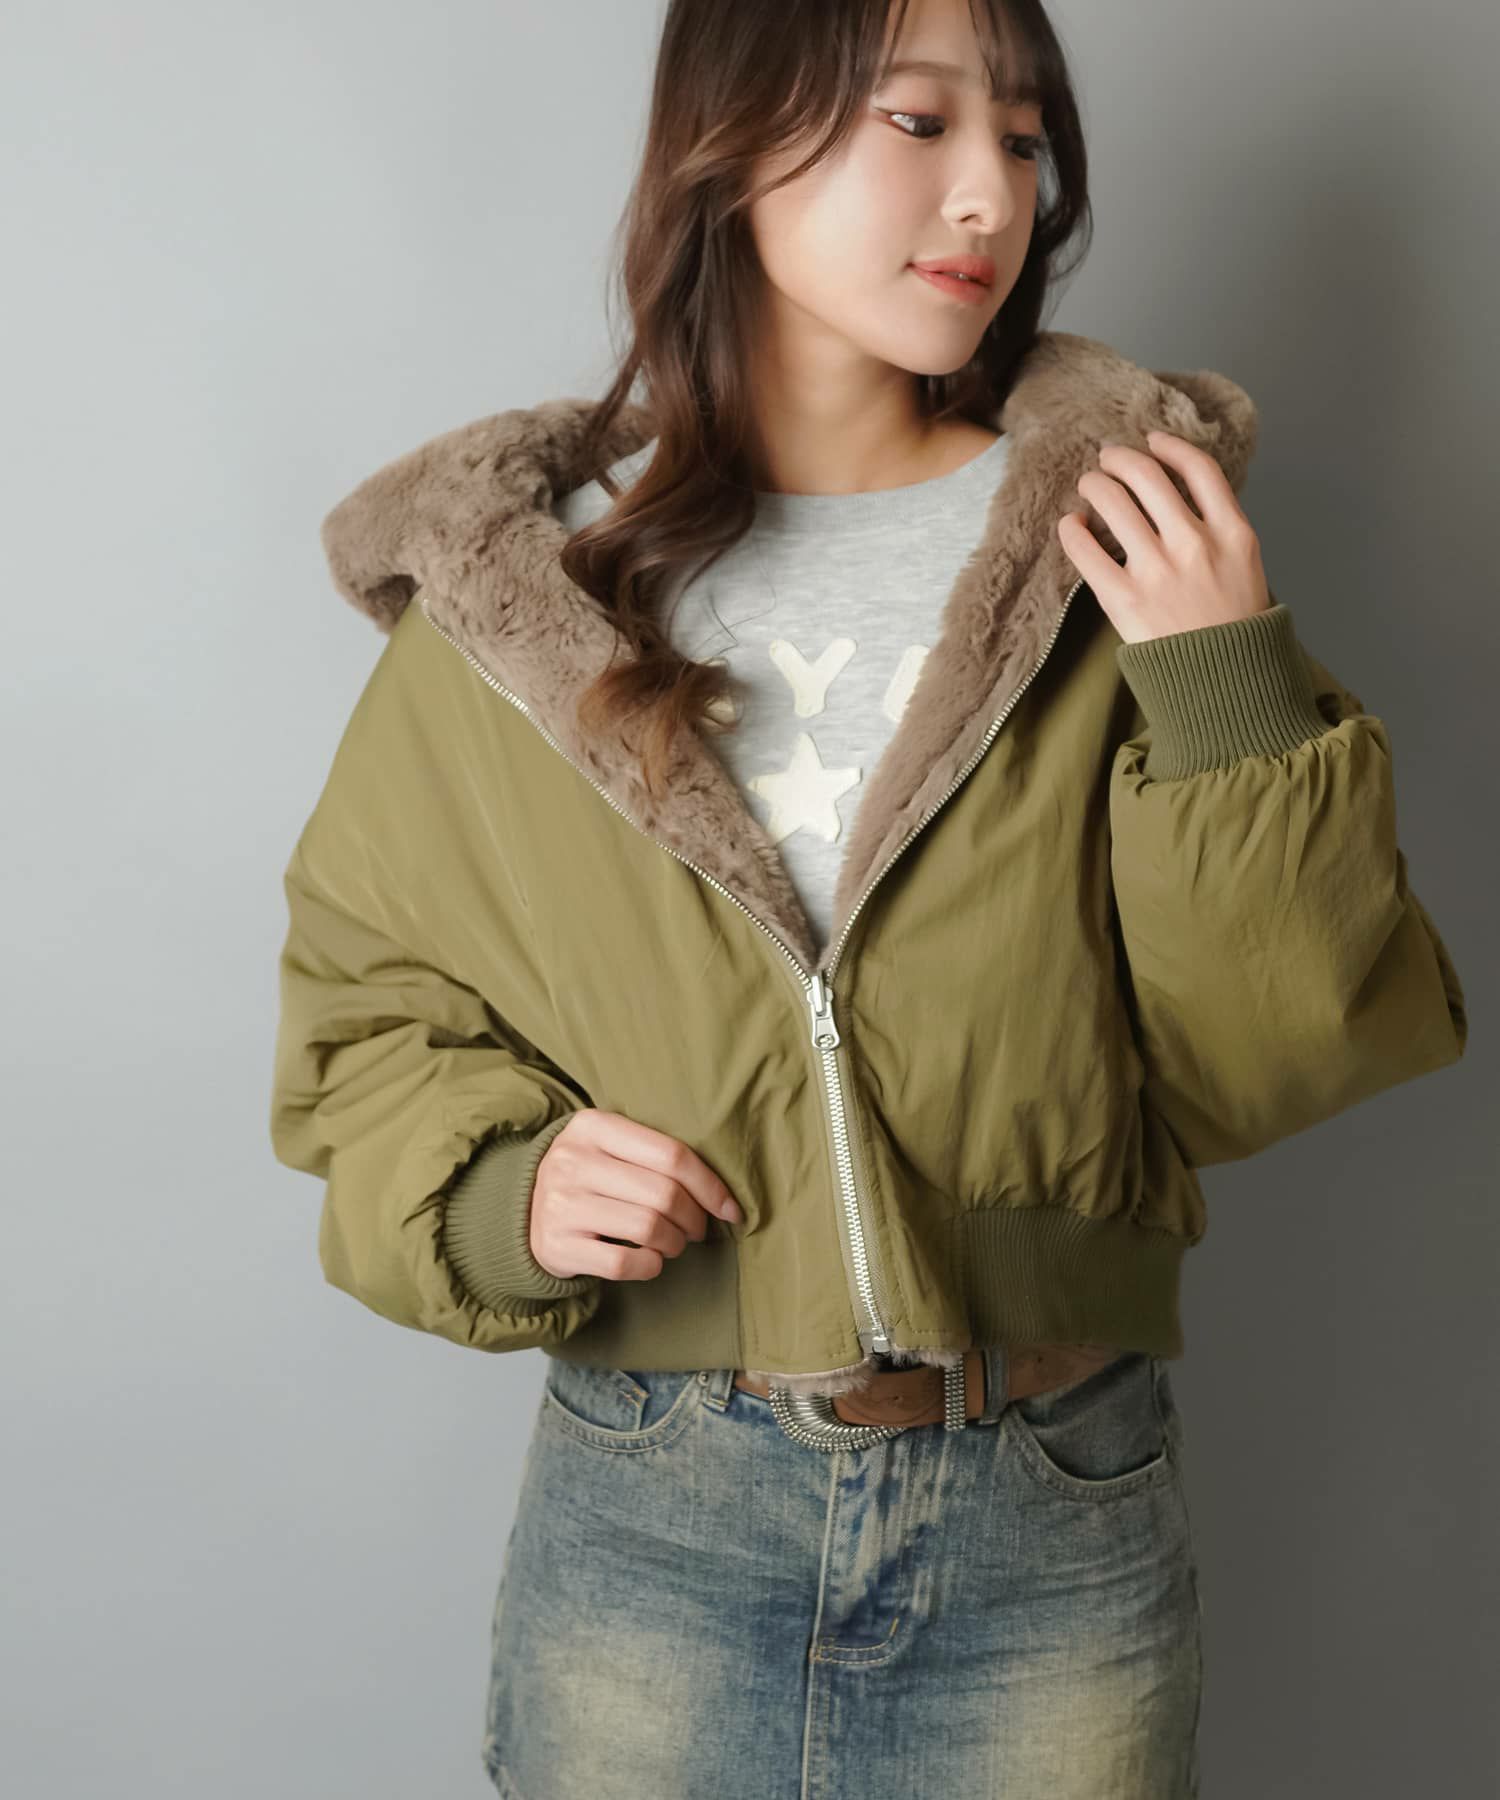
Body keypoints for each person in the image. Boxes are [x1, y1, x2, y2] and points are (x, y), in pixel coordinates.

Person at [268, 0, 1468, 1794]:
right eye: (920, 121)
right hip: (655, 1521)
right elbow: (363, 1025)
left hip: (1048, 1516)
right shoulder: (528, 601)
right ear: (733, 143)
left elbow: (1272, 1056)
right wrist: (510, 1190)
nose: (992, 192)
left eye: (1026, 138)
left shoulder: (1120, 547)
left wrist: (1224, 686)